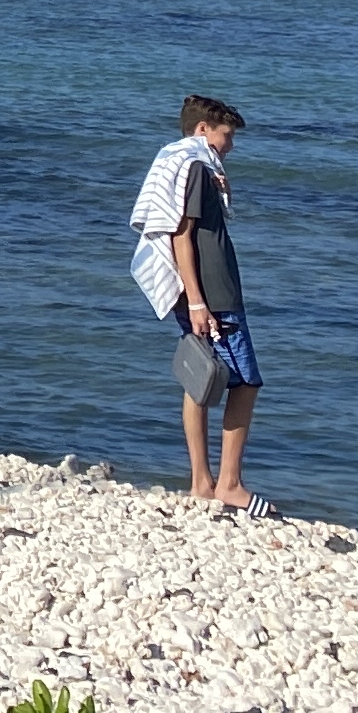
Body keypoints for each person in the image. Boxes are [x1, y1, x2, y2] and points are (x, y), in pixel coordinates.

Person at [128, 94, 265, 510]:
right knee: (245, 383)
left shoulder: (188, 164)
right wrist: (199, 303)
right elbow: (180, 235)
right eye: (227, 135)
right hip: (212, 295)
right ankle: (229, 484)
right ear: (203, 129)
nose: (231, 145)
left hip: (202, 293)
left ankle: (202, 483)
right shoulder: (196, 169)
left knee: (201, 379)